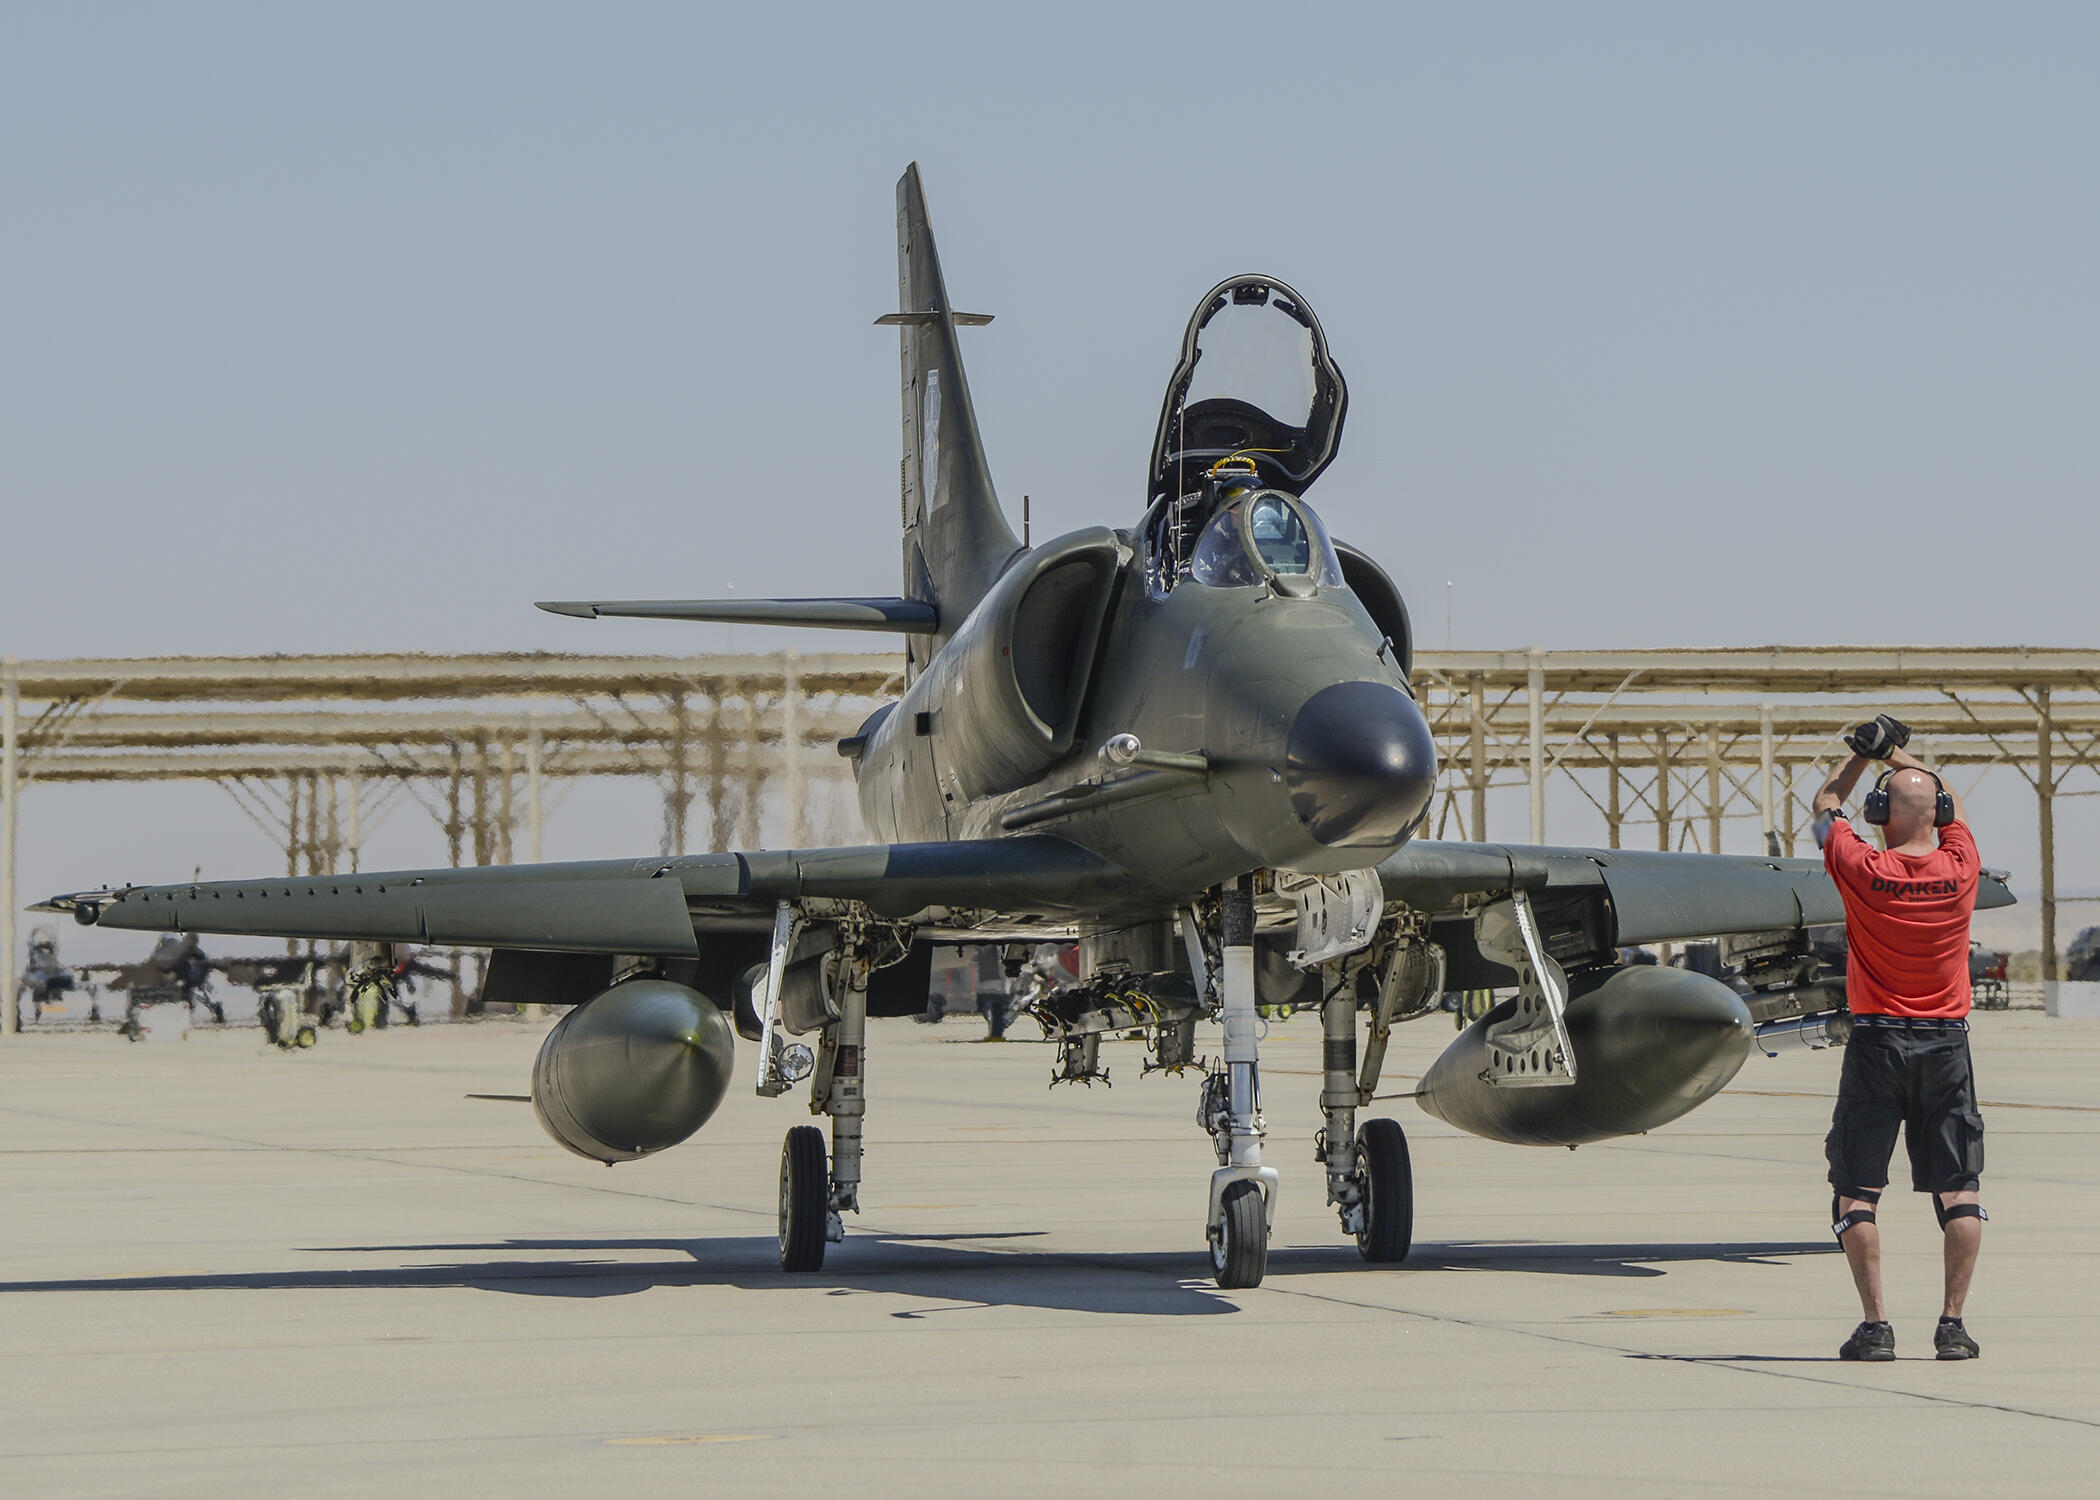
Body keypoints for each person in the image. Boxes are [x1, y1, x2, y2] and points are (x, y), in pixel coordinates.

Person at [1810, 714, 1986, 1362]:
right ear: (1934, 815)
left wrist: (1857, 756)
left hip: (1877, 1041)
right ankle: (1953, 1325)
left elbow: (1825, 806)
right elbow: (1951, 800)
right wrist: (1897, 754)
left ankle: (1876, 1326)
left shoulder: (1861, 867)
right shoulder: (1962, 866)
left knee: (1857, 1189)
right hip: (1946, 1045)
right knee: (1959, 1190)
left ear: (1883, 813)